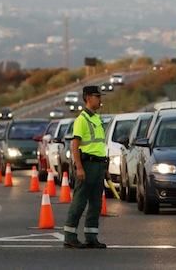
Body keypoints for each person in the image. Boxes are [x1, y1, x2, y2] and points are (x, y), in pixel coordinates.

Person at [63, 85, 108, 249]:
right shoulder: (81, 120)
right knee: (80, 201)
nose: (100, 99)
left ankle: (91, 236)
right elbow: (75, 145)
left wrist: (105, 168)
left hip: (98, 165)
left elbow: (100, 145)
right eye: (97, 96)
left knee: (96, 203)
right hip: (87, 164)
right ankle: (70, 236)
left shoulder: (96, 118)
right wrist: (79, 167)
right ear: (88, 97)